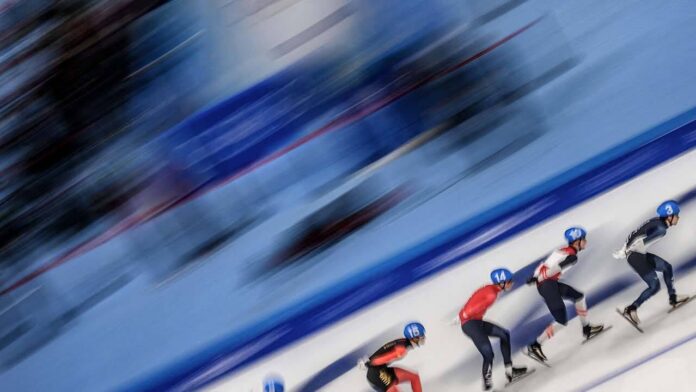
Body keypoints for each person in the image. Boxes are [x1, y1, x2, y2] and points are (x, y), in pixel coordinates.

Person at [526, 227, 605, 363]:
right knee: (561, 321)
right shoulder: (572, 256)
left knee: (578, 297)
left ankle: (587, 328)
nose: (586, 241)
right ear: (576, 242)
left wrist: (535, 277)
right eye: (583, 239)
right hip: (547, 285)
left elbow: (543, 265)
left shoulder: (563, 250)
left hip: (549, 283)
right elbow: (553, 269)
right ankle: (535, 346)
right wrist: (537, 279)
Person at [613, 200, 689, 324]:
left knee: (666, 267)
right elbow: (639, 239)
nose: (678, 217)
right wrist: (627, 251)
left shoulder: (657, 222)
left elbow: (636, 233)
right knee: (654, 286)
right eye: (676, 215)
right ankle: (631, 309)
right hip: (635, 256)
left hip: (637, 253)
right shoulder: (661, 229)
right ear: (669, 216)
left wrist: (624, 249)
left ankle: (673, 298)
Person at [459, 268, 529, 390]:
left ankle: (509, 371)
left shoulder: (491, 290)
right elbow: (471, 310)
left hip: (475, 323)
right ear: (500, 283)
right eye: (509, 281)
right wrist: (464, 314)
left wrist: (464, 313)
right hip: (470, 325)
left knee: (504, 334)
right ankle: (488, 387)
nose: (511, 283)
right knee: (488, 354)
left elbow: (473, 298)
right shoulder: (491, 294)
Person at [361, 322, 425, 392]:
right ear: (414, 338)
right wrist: (371, 362)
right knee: (394, 390)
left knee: (414, 377)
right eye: (421, 337)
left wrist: (370, 360)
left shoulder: (403, 342)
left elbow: (384, 349)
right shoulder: (401, 350)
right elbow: (381, 359)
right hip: (375, 375)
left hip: (382, 370)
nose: (423, 338)